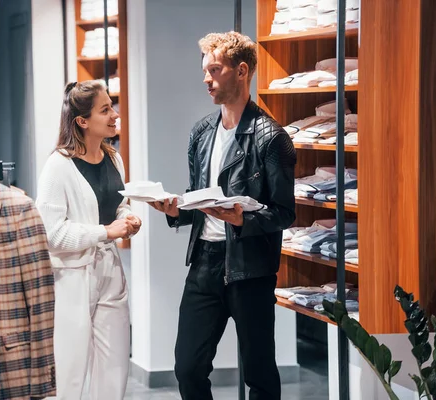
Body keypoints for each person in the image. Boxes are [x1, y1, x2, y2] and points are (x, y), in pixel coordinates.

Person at [148, 32, 296, 400]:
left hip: (250, 269)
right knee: (187, 367)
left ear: (241, 71)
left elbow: (285, 214)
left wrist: (242, 219)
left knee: (259, 374)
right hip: (204, 263)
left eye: (215, 69)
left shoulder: (270, 138)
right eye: (205, 70)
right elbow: (200, 197)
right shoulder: (201, 133)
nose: (206, 79)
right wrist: (176, 210)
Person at [36, 80, 141, 400]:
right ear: (82, 121)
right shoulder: (58, 166)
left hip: (110, 272)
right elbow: (51, 233)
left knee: (114, 367)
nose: (114, 115)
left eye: (113, 107)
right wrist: (105, 232)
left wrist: (128, 217)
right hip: (71, 279)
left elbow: (116, 203)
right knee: (70, 369)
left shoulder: (114, 158)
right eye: (105, 109)